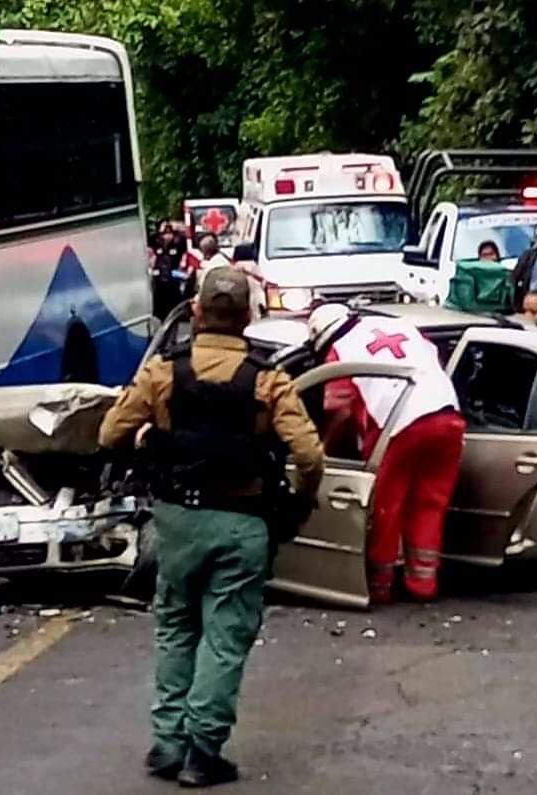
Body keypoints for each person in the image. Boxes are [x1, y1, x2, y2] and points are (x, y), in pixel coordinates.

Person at [98, 267, 325, 786]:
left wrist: (148, 445)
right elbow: (310, 455)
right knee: (225, 636)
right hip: (243, 521)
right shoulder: (267, 379)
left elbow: (112, 432)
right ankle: (203, 751)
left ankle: (166, 743)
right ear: (247, 317)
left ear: (197, 313)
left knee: (176, 626)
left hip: (176, 521)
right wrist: (300, 500)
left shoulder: (162, 372)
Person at [306, 303, 466, 604]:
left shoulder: (340, 349)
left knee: (387, 506)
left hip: (401, 425)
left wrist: (323, 447)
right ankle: (423, 583)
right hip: (448, 415)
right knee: (430, 504)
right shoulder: (404, 326)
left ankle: (380, 584)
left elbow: (337, 408)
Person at [152, 223, 187, 320]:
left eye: (169, 234)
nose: (167, 236)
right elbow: (155, 258)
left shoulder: (178, 245)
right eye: (164, 234)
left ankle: (175, 316)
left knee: (173, 299)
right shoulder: (157, 244)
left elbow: (185, 239)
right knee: (159, 300)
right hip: (160, 278)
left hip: (172, 277)